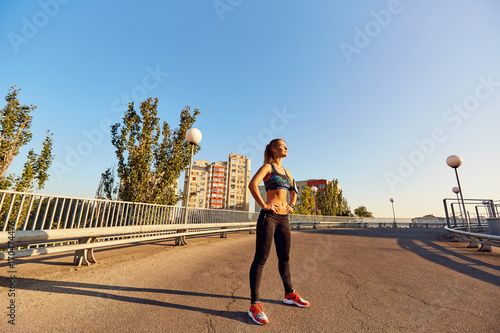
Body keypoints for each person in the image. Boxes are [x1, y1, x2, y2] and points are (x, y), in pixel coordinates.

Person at [247, 138, 310, 325]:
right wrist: (264, 205)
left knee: (285, 258)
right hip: (269, 216)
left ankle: (289, 294)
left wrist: (291, 205)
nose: (286, 148)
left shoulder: (288, 172)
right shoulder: (268, 167)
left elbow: (294, 191)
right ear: (274, 150)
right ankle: (254, 305)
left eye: (286, 145)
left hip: (284, 218)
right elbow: (252, 185)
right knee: (261, 258)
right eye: (282, 146)